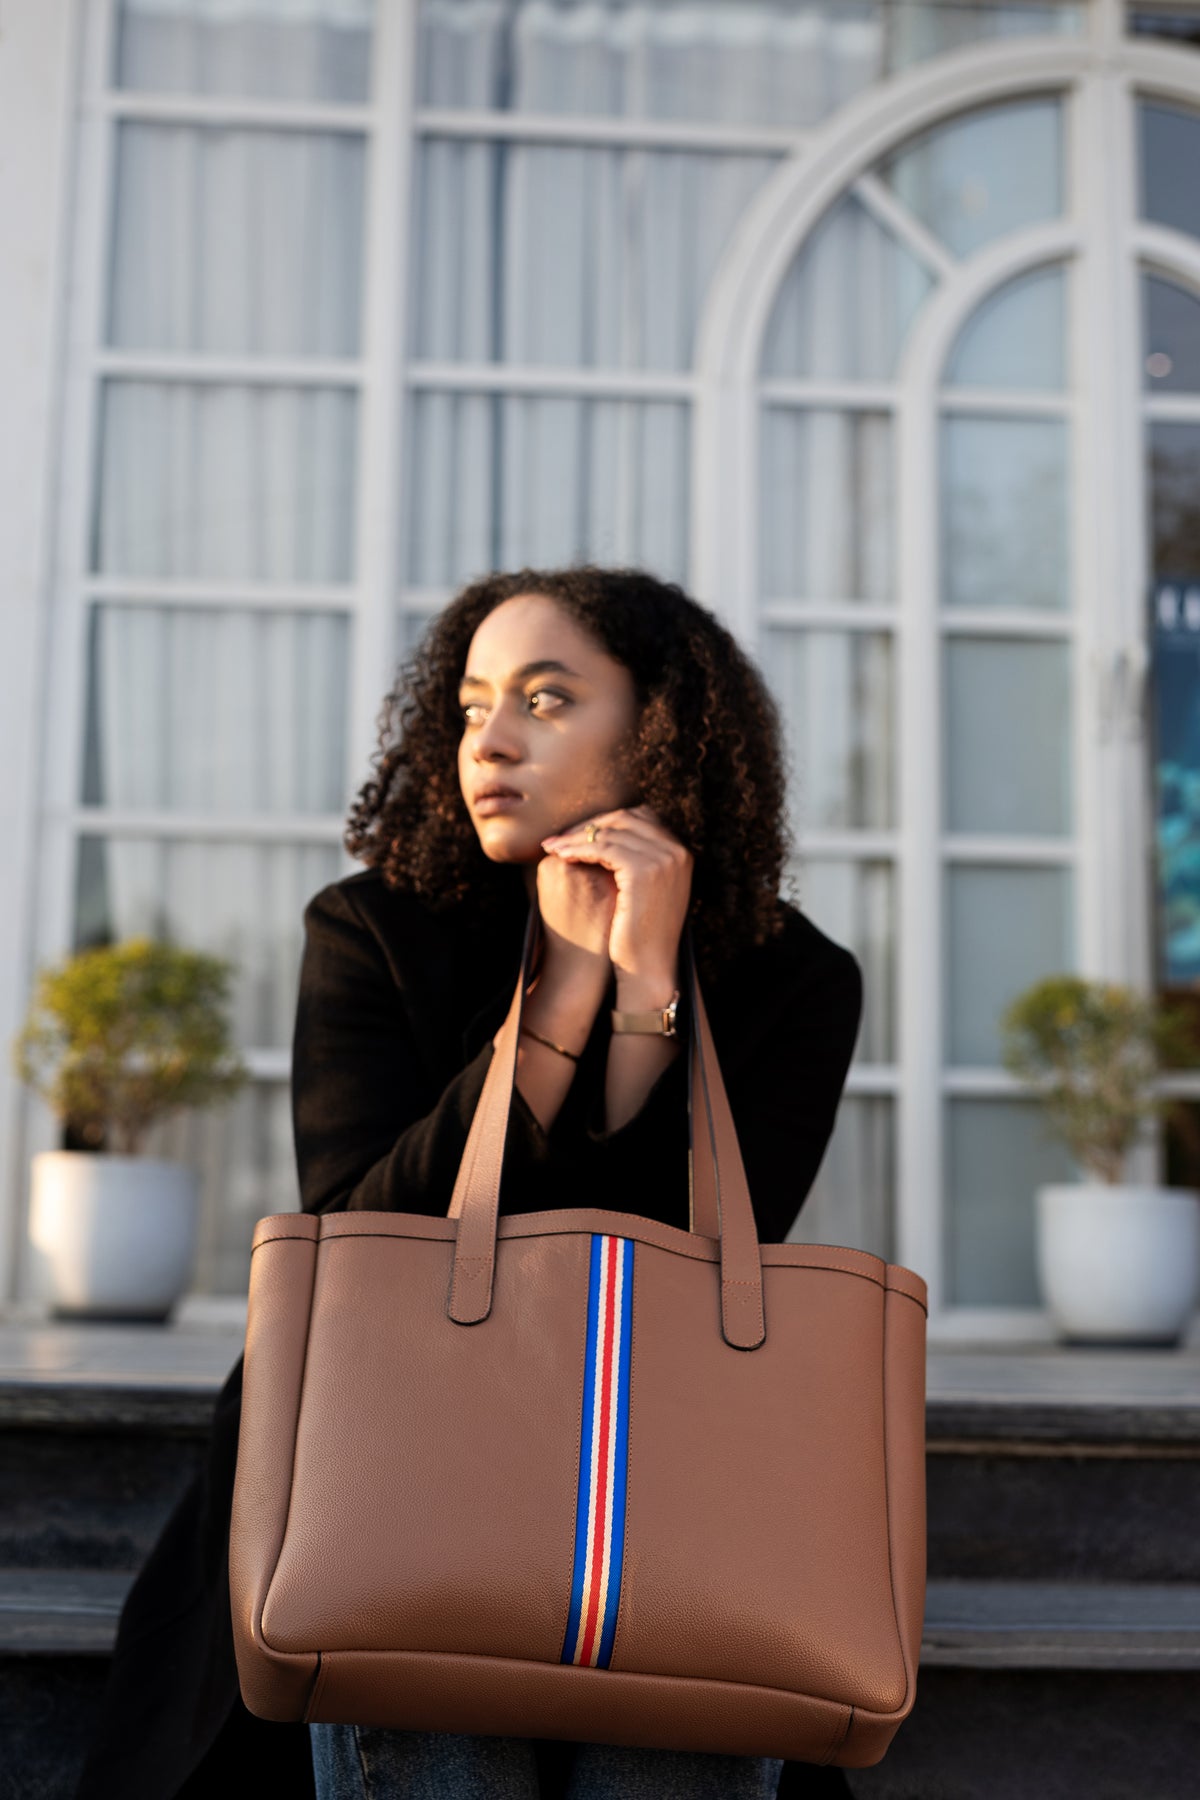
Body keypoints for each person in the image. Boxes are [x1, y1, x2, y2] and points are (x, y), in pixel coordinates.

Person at [73, 564, 864, 1800]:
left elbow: (710, 1268)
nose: (487, 739)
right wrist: (554, 1000)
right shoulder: (374, 926)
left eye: (545, 700)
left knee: (664, 1730)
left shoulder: (792, 977)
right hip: (396, 1445)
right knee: (427, 1678)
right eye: (469, 703)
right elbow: (353, 1258)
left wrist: (651, 993)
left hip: (656, 1464)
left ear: (659, 726)